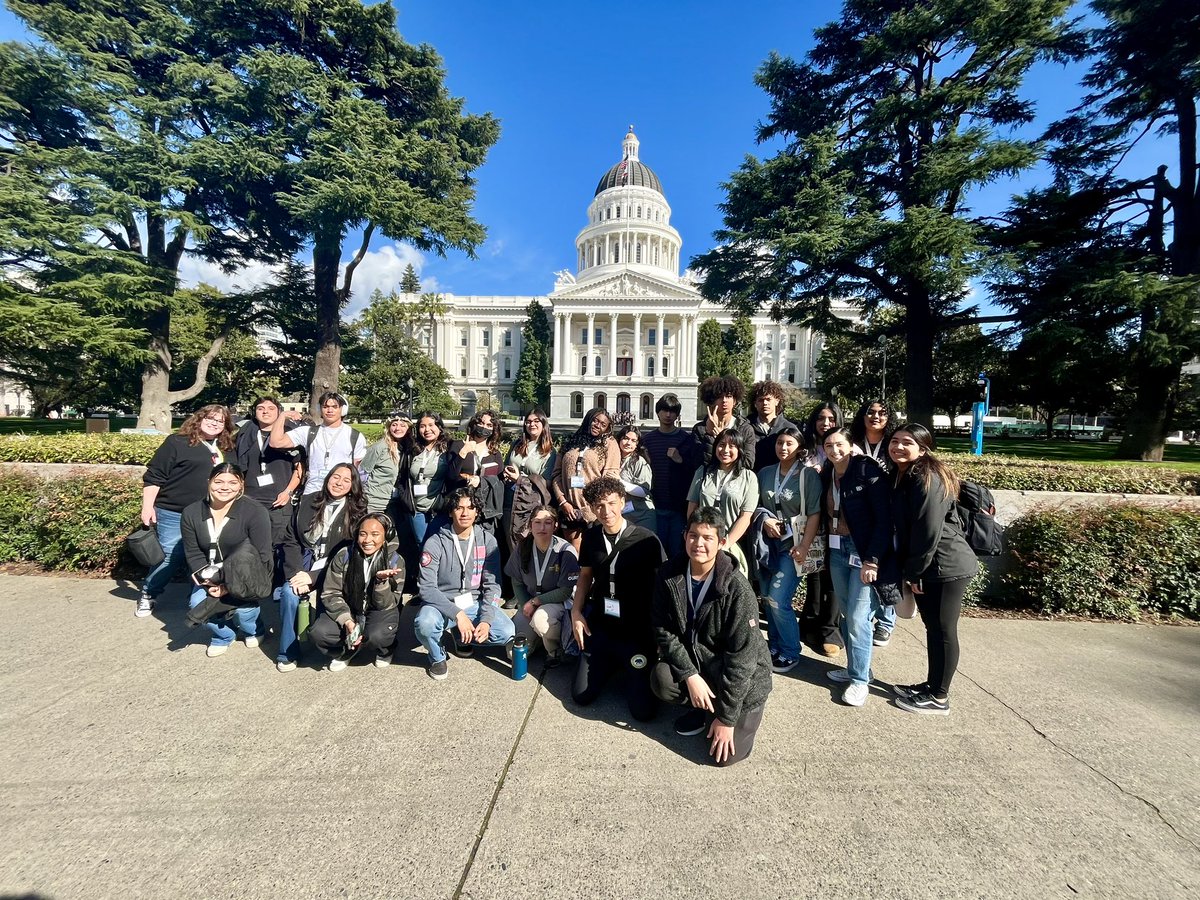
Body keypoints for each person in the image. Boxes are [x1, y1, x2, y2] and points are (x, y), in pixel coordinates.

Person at [651, 509, 773, 766]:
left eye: (707, 538)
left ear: (721, 542)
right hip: (701, 665)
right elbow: (663, 629)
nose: (699, 544)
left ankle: (728, 712)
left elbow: (743, 661)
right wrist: (690, 675)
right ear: (684, 536)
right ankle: (703, 708)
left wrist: (728, 719)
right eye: (693, 535)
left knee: (725, 759)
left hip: (742, 676)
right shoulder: (668, 574)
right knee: (661, 679)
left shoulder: (738, 590)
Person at [889, 424, 978, 716]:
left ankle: (939, 697)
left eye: (906, 443)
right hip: (933, 565)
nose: (898, 447)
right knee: (935, 629)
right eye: (895, 441)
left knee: (943, 631)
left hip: (943, 565)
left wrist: (915, 572)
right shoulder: (908, 474)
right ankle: (931, 686)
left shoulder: (926, 476)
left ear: (923, 448)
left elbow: (928, 529)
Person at [570, 477, 666, 722]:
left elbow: (662, 590)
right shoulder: (591, 538)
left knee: (642, 713)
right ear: (592, 508)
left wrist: (660, 635)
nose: (606, 511)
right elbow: (585, 576)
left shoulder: (647, 540)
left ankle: (629, 665)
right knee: (581, 696)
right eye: (599, 506)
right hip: (603, 625)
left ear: (622, 502)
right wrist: (576, 613)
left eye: (612, 503)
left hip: (636, 629)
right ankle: (611, 662)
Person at [819, 428, 898, 706]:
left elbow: (883, 520)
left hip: (862, 552)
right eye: (828, 445)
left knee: (857, 617)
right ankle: (858, 667)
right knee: (845, 612)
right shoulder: (827, 473)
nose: (833, 449)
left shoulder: (866, 470)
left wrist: (872, 559)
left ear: (850, 445)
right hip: (837, 550)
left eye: (839, 444)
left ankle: (860, 682)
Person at [136, 405, 237, 618]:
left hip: (211, 512)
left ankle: (199, 597)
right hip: (175, 511)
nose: (214, 423)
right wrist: (147, 506)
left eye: (220, 421)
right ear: (199, 419)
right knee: (170, 556)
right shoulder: (177, 442)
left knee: (209, 557)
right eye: (210, 418)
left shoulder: (225, 448)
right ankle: (148, 593)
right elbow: (154, 476)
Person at [414, 487, 516, 681]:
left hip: (472, 602)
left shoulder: (487, 541)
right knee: (424, 624)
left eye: (470, 508)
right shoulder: (435, 542)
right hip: (442, 604)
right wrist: (457, 614)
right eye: (459, 508)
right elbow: (426, 588)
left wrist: (485, 620)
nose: (465, 513)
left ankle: (461, 636)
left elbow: (492, 585)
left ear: (477, 511)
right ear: (451, 511)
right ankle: (437, 656)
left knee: (507, 632)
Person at [276, 464, 366, 672]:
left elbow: (352, 553)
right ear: (327, 478)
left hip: (335, 566)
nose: (339, 483)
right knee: (290, 593)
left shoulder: (358, 510)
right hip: (304, 560)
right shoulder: (309, 501)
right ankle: (287, 651)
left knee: (328, 611)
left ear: (353, 486)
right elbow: (290, 539)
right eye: (336, 477)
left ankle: (338, 649)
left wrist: (314, 576)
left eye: (346, 480)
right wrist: (296, 572)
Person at [180, 463, 273, 657]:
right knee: (197, 603)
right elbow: (194, 553)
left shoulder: (255, 512)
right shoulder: (191, 512)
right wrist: (208, 583)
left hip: (245, 574)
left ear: (241, 485)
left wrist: (228, 586)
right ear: (209, 483)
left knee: (243, 611)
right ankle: (224, 635)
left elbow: (263, 555)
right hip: (209, 576)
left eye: (232, 482)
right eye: (219, 481)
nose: (224, 487)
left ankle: (254, 629)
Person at [754, 425, 822, 674]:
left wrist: (804, 546)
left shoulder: (807, 476)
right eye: (780, 443)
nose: (783, 447)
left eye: (789, 444)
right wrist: (766, 520)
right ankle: (775, 645)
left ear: (800, 449)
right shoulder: (765, 473)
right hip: (767, 545)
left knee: (778, 598)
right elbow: (756, 505)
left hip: (793, 547)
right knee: (767, 597)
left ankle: (791, 650)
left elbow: (814, 512)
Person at [308, 513, 404, 671]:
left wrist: (381, 583)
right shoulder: (343, 556)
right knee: (320, 632)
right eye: (362, 534)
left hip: (379, 610)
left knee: (378, 635)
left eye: (375, 534)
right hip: (349, 607)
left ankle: (386, 649)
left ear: (387, 535)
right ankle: (345, 650)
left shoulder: (395, 561)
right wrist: (347, 620)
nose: (367, 540)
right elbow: (330, 593)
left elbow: (389, 604)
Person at [849, 399, 899, 646]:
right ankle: (871, 617)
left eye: (882, 413)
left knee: (885, 565)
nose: (876, 416)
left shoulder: (894, 444)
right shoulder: (854, 443)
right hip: (860, 515)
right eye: (870, 412)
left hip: (888, 512)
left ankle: (886, 621)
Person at [506, 504, 580, 666]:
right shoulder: (523, 548)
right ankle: (541, 637)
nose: (542, 527)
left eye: (548, 522)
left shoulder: (565, 551)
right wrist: (526, 605)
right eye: (537, 522)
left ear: (555, 525)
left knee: (540, 619)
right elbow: (516, 582)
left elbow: (565, 591)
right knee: (513, 653)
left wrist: (534, 603)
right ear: (530, 524)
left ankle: (555, 651)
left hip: (558, 603)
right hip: (531, 602)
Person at [800, 400, 846, 657]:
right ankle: (809, 621)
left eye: (830, 419)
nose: (825, 424)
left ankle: (830, 629)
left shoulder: (845, 447)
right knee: (814, 571)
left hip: (837, 522)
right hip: (810, 519)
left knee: (834, 573)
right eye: (820, 418)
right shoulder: (805, 449)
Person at [685, 428, 757, 573]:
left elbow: (745, 517)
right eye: (721, 444)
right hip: (702, 541)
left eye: (732, 446)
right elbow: (692, 508)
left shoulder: (748, 477)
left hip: (729, 543)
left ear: (740, 450)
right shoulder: (703, 472)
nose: (725, 450)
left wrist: (725, 543)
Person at [268, 391, 366, 496]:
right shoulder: (308, 432)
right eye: (325, 406)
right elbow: (275, 442)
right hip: (312, 492)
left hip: (340, 494)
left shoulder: (355, 436)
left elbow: (356, 470)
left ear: (343, 410)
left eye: (334, 407)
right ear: (320, 409)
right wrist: (282, 416)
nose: (330, 410)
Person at [395, 411, 452, 591]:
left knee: (437, 546)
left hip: (437, 507)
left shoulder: (448, 448)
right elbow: (403, 475)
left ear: (439, 427)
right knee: (422, 547)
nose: (427, 430)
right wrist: (406, 500)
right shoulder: (413, 449)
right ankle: (425, 586)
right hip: (416, 509)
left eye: (431, 425)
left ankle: (441, 585)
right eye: (422, 426)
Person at [552, 407, 621, 548]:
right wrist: (563, 502)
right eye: (595, 420)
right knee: (573, 553)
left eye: (603, 424)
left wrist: (593, 507)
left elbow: (610, 477)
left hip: (594, 511)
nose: (597, 425)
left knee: (593, 556)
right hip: (569, 509)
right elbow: (556, 474)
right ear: (588, 419)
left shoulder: (609, 443)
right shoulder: (571, 441)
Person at [641, 394, 698, 559]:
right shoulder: (648, 440)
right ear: (657, 412)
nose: (668, 415)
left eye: (672, 411)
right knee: (655, 553)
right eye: (664, 410)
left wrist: (680, 460)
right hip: (654, 506)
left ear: (677, 415)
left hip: (678, 508)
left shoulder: (686, 439)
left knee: (676, 553)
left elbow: (694, 471)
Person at [501, 408, 558, 555]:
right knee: (510, 546)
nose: (531, 424)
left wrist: (519, 479)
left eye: (536, 421)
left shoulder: (549, 451)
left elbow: (546, 483)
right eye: (528, 421)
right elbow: (507, 464)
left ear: (543, 423)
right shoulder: (517, 444)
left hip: (529, 504)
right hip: (509, 500)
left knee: (525, 547)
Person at [447, 410, 505, 541]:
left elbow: (499, 482)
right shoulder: (458, 445)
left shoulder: (495, 453)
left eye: (489, 425)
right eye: (481, 423)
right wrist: (464, 452)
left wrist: (481, 481)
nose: (484, 427)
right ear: (474, 423)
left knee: (483, 546)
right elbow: (451, 476)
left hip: (484, 510)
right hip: (462, 506)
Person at [691, 376, 757, 470]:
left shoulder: (745, 429)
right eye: (719, 397)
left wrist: (721, 438)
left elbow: (748, 463)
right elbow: (699, 464)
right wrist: (710, 436)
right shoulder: (700, 429)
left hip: (736, 481)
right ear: (712, 401)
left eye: (729, 396)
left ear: (735, 401)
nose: (724, 400)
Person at [361, 412, 412, 515]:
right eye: (394, 425)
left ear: (409, 429)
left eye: (402, 425)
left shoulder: (409, 449)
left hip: (398, 503)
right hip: (375, 503)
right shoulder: (380, 447)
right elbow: (362, 473)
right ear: (389, 427)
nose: (398, 428)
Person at [747, 379, 796, 472]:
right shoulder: (745, 427)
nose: (765, 403)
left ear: (777, 401)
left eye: (768, 399)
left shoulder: (789, 428)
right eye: (761, 400)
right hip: (752, 478)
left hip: (781, 479)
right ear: (755, 404)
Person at [615, 423, 656, 531]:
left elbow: (644, 491)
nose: (629, 443)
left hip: (642, 515)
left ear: (638, 444)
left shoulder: (640, 462)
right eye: (625, 438)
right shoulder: (613, 458)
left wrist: (619, 481)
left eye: (633, 441)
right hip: (623, 516)